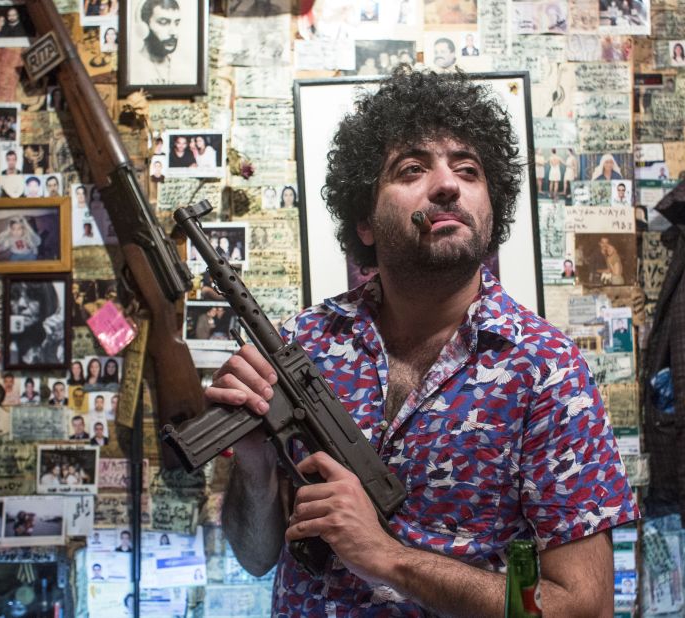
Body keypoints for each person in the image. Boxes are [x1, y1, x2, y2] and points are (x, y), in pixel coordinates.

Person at [209, 69, 636, 615]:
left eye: (468, 169)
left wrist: (389, 559)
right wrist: (254, 466)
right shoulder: (304, 343)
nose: (447, 184)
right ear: (364, 220)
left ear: (491, 208)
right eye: (413, 168)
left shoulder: (546, 370)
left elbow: (585, 607)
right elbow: (255, 556)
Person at [8, 280, 64, 365]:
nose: (21, 304)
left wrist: (50, 352)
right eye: (14, 296)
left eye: (32, 295)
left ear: (46, 301)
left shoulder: (59, 343)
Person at [133, 0, 182, 84]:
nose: (173, 32)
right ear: (144, 26)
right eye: (163, 22)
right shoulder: (133, 66)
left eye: (176, 23)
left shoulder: (183, 69)